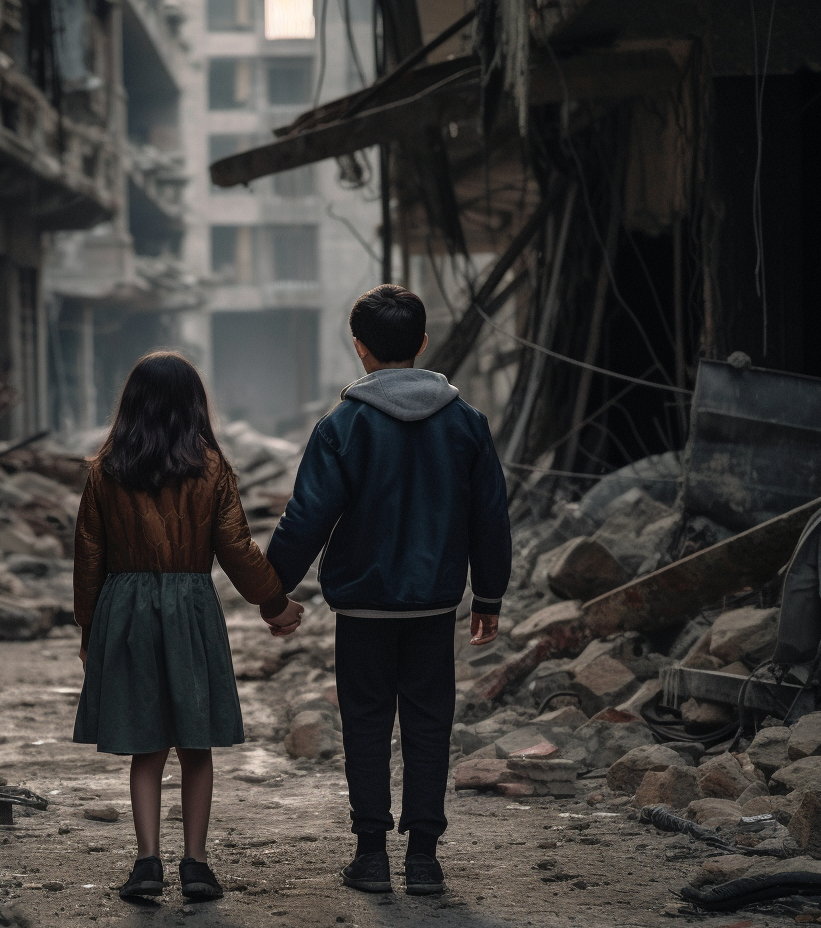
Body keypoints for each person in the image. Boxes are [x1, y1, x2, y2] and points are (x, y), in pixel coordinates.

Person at [264, 284, 511, 896]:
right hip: (433, 605)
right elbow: (491, 516)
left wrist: (273, 593)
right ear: (423, 344)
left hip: (363, 608)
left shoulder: (343, 426)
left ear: (360, 349)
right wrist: (489, 597)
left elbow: (307, 517)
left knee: (367, 726)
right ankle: (424, 859)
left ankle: (371, 855)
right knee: (430, 725)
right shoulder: (466, 423)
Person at [72, 351, 305, 903]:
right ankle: (196, 865)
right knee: (195, 745)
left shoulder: (105, 472)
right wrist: (275, 604)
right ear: (194, 406)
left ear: (130, 407)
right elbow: (236, 548)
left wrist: (89, 630)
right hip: (190, 606)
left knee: (145, 748)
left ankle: (147, 862)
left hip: (125, 607)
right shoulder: (211, 469)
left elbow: (88, 557)